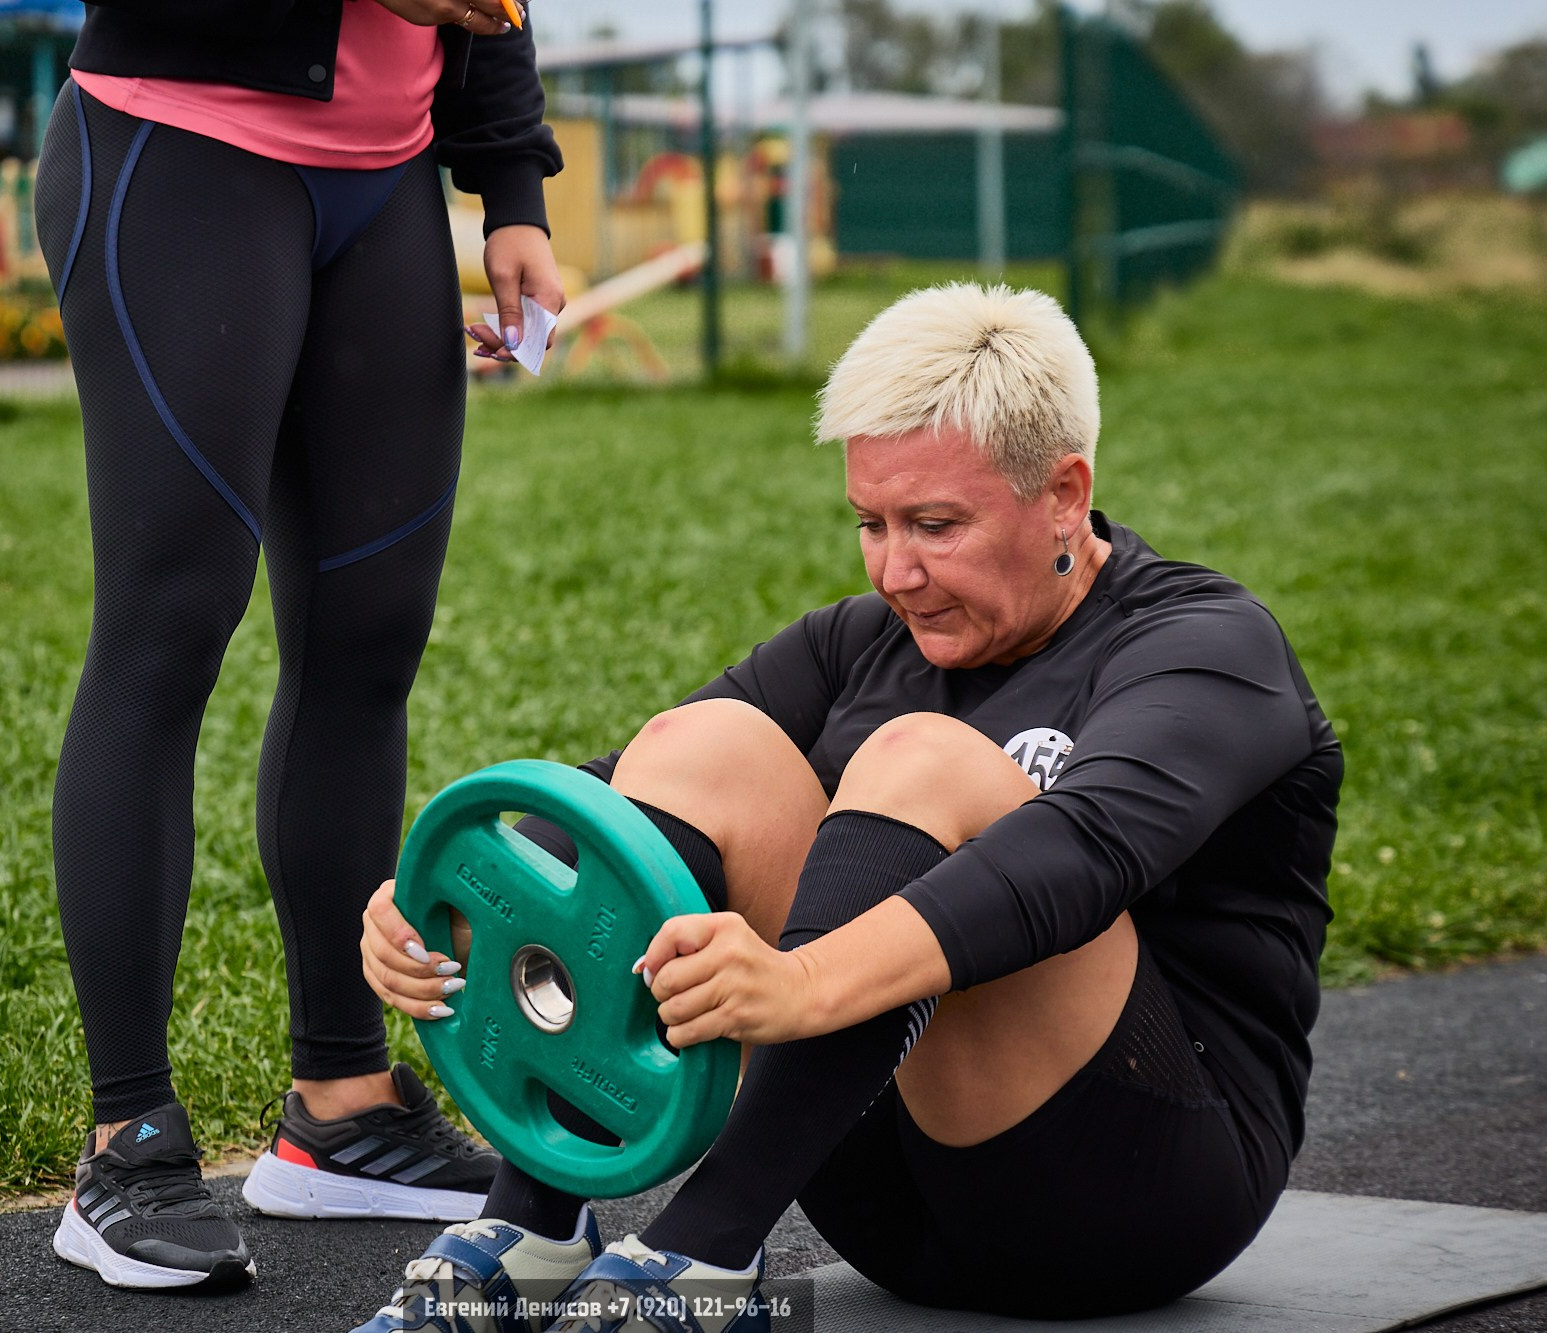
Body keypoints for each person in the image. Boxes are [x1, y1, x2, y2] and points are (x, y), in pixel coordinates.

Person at [356, 283, 1342, 1329]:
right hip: (879, 1202)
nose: (895, 569)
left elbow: (1085, 850)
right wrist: (457, 898)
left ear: (1062, 493)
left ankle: (702, 1261)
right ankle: (537, 1227)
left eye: (934, 524)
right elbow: (633, 798)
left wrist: (806, 981)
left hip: (1128, 1194)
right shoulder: (859, 641)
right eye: (868, 522)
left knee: (921, 760)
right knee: (703, 745)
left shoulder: (1206, 645)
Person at [31, 0, 564, 1290]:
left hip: (381, 189)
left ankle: (340, 1102)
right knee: (167, 632)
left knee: (367, 643)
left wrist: (509, 191)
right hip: (180, 157)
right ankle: (130, 1141)